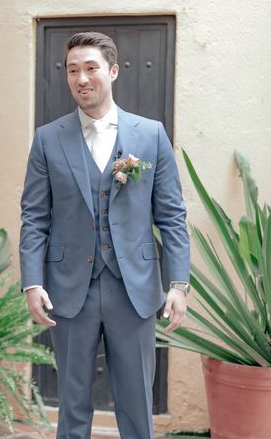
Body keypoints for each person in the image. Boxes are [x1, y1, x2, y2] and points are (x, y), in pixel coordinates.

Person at [19, 32, 190, 439]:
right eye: (73, 70)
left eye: (91, 68)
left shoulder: (150, 134)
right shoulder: (48, 138)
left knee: (135, 402)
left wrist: (178, 284)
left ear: (112, 71)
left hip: (133, 288)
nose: (82, 78)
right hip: (69, 289)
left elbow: (171, 215)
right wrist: (32, 281)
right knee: (72, 402)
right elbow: (34, 215)